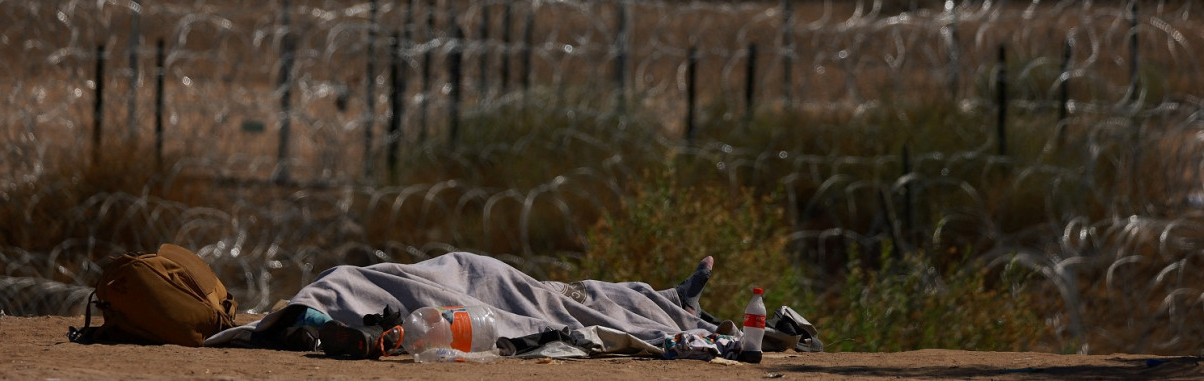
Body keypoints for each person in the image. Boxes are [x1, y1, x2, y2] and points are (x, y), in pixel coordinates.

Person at [206, 251, 820, 359]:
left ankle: (661, 302)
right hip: (461, 283)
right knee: (549, 307)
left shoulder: (290, 306)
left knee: (554, 297)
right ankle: (663, 304)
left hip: (466, 278)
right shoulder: (318, 298)